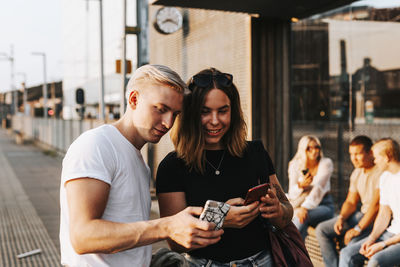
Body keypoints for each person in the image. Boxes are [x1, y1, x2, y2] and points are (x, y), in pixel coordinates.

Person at [59, 64, 224, 267]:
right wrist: (166, 227)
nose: (168, 123)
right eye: (161, 109)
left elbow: (126, 235)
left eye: (175, 114)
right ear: (134, 99)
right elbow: (83, 237)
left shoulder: (136, 159)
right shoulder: (97, 145)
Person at [156, 67, 293, 266]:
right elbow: (176, 243)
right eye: (205, 112)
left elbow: (287, 212)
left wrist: (278, 211)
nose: (214, 121)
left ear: (233, 111)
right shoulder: (172, 166)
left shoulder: (255, 152)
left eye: (222, 111)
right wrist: (220, 218)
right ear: (191, 114)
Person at [315, 135, 382, 267]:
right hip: (360, 216)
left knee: (350, 247)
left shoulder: (380, 172)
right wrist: (341, 217)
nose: (353, 158)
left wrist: (358, 228)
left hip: (374, 220)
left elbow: (376, 207)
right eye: (351, 154)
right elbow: (351, 202)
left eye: (357, 154)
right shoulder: (357, 172)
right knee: (321, 229)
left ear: (370, 153)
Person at [339, 138, 400, 267]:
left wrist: (383, 244)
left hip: (396, 239)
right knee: (346, 253)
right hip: (389, 233)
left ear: (388, 157)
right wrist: (371, 239)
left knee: (376, 261)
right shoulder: (385, 177)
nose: (374, 160)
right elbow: (384, 214)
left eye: (377, 157)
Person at [288, 135, 334, 239]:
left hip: (323, 204)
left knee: (302, 217)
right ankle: (298, 252)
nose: (314, 151)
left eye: (317, 147)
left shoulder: (326, 163)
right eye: (309, 148)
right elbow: (292, 193)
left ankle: (291, 247)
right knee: (300, 222)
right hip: (299, 204)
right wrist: (301, 186)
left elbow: (318, 189)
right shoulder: (295, 165)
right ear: (302, 149)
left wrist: (304, 207)